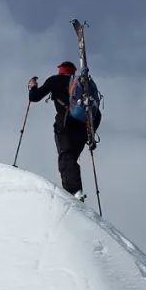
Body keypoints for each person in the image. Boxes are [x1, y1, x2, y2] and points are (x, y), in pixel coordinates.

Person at [28, 61, 97, 200]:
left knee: (66, 156)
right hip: (84, 128)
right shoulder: (83, 85)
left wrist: (32, 87)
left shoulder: (55, 80)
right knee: (71, 158)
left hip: (65, 123)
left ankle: (73, 192)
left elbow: (34, 97)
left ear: (60, 70)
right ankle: (76, 190)